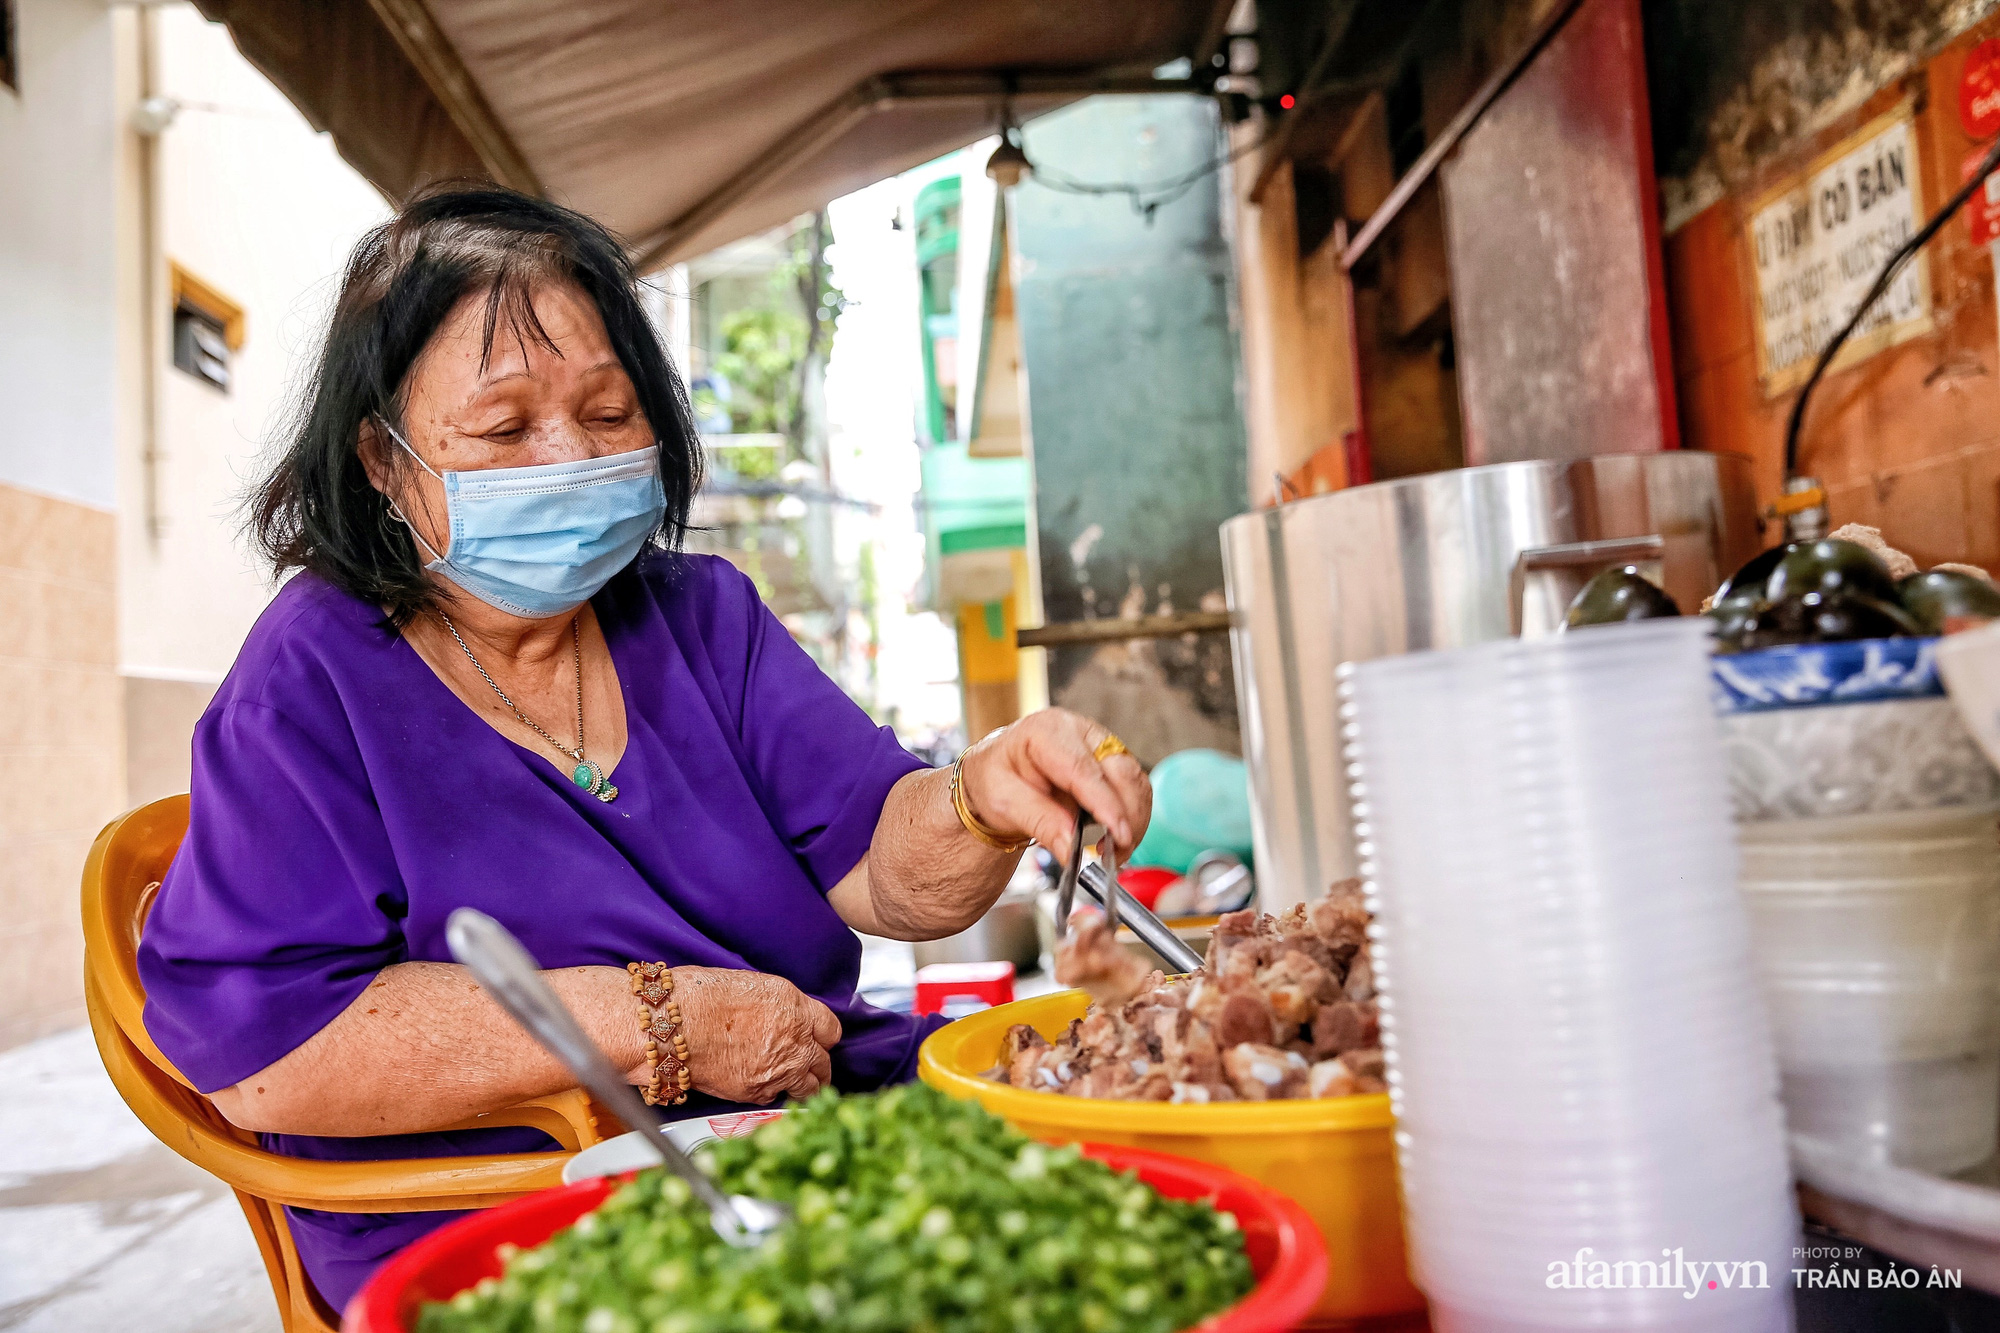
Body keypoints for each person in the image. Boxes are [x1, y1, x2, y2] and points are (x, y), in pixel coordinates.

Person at [137, 185, 1150, 1310]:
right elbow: (271, 1050)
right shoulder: (312, 679)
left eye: (609, 412)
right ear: (383, 462)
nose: (569, 456)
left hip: (784, 1142)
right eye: (507, 428)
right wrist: (664, 1022)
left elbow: (886, 867)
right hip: (504, 1207)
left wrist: (980, 793)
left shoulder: (700, 619)